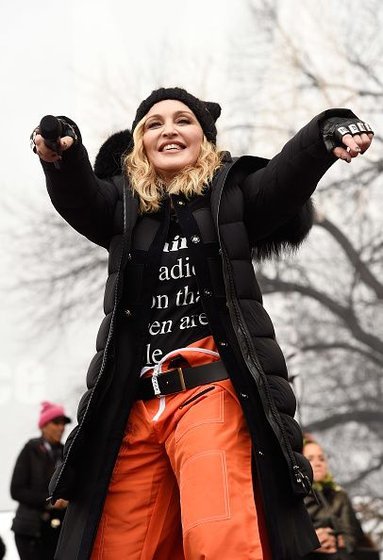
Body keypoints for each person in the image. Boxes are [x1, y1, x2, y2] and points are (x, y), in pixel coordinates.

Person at [31, 87, 374, 560]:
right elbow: (80, 195)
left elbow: (284, 178)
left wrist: (325, 131)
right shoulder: (122, 208)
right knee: (117, 547)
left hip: (208, 388)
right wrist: (63, 155)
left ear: (205, 139)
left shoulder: (232, 197)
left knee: (219, 537)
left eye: (182, 120)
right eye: (153, 124)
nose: (168, 129)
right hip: (134, 404)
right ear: (139, 145)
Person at [10, 401, 71, 560]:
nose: (61, 427)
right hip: (30, 531)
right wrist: (49, 501)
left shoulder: (66, 452)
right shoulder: (30, 449)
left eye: (63, 423)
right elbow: (16, 490)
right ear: (44, 425)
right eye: (56, 422)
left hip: (56, 530)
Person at [302, 438, 379, 559]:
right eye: (310, 459)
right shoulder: (293, 498)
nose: (318, 463)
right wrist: (310, 541)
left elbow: (353, 535)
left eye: (321, 459)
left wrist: (336, 541)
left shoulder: (339, 496)